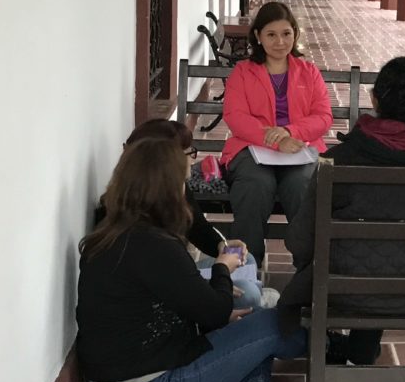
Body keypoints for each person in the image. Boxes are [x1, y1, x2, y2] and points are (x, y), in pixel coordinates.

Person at [278, 56, 405, 365]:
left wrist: (310, 269)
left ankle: (349, 347)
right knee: (388, 256)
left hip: (346, 289)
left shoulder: (338, 161)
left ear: (374, 100)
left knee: (368, 259)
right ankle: (360, 348)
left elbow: (301, 239)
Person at [77, 138, 306, 382]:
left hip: (113, 377)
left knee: (251, 332)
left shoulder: (110, 233)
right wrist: (222, 268)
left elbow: (165, 305)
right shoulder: (155, 244)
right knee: (273, 323)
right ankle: (328, 345)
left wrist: (219, 319)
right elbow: (215, 311)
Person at [94, 119, 276, 310]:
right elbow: (160, 285)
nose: (191, 160)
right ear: (159, 161)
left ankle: (256, 301)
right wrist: (216, 278)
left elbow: (196, 225)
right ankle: (256, 303)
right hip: (156, 301)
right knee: (248, 293)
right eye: (185, 154)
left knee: (246, 260)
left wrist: (221, 245)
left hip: (169, 282)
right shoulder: (139, 227)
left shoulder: (166, 190)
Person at [221, 1, 333, 265]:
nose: (280, 41)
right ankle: (244, 269)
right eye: (271, 34)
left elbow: (323, 116)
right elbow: (235, 117)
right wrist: (273, 140)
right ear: (258, 37)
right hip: (250, 148)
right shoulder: (243, 72)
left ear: (295, 34)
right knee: (256, 186)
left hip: (300, 148)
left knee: (302, 187)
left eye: (286, 33)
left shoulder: (309, 72)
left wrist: (288, 132)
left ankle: (309, 268)